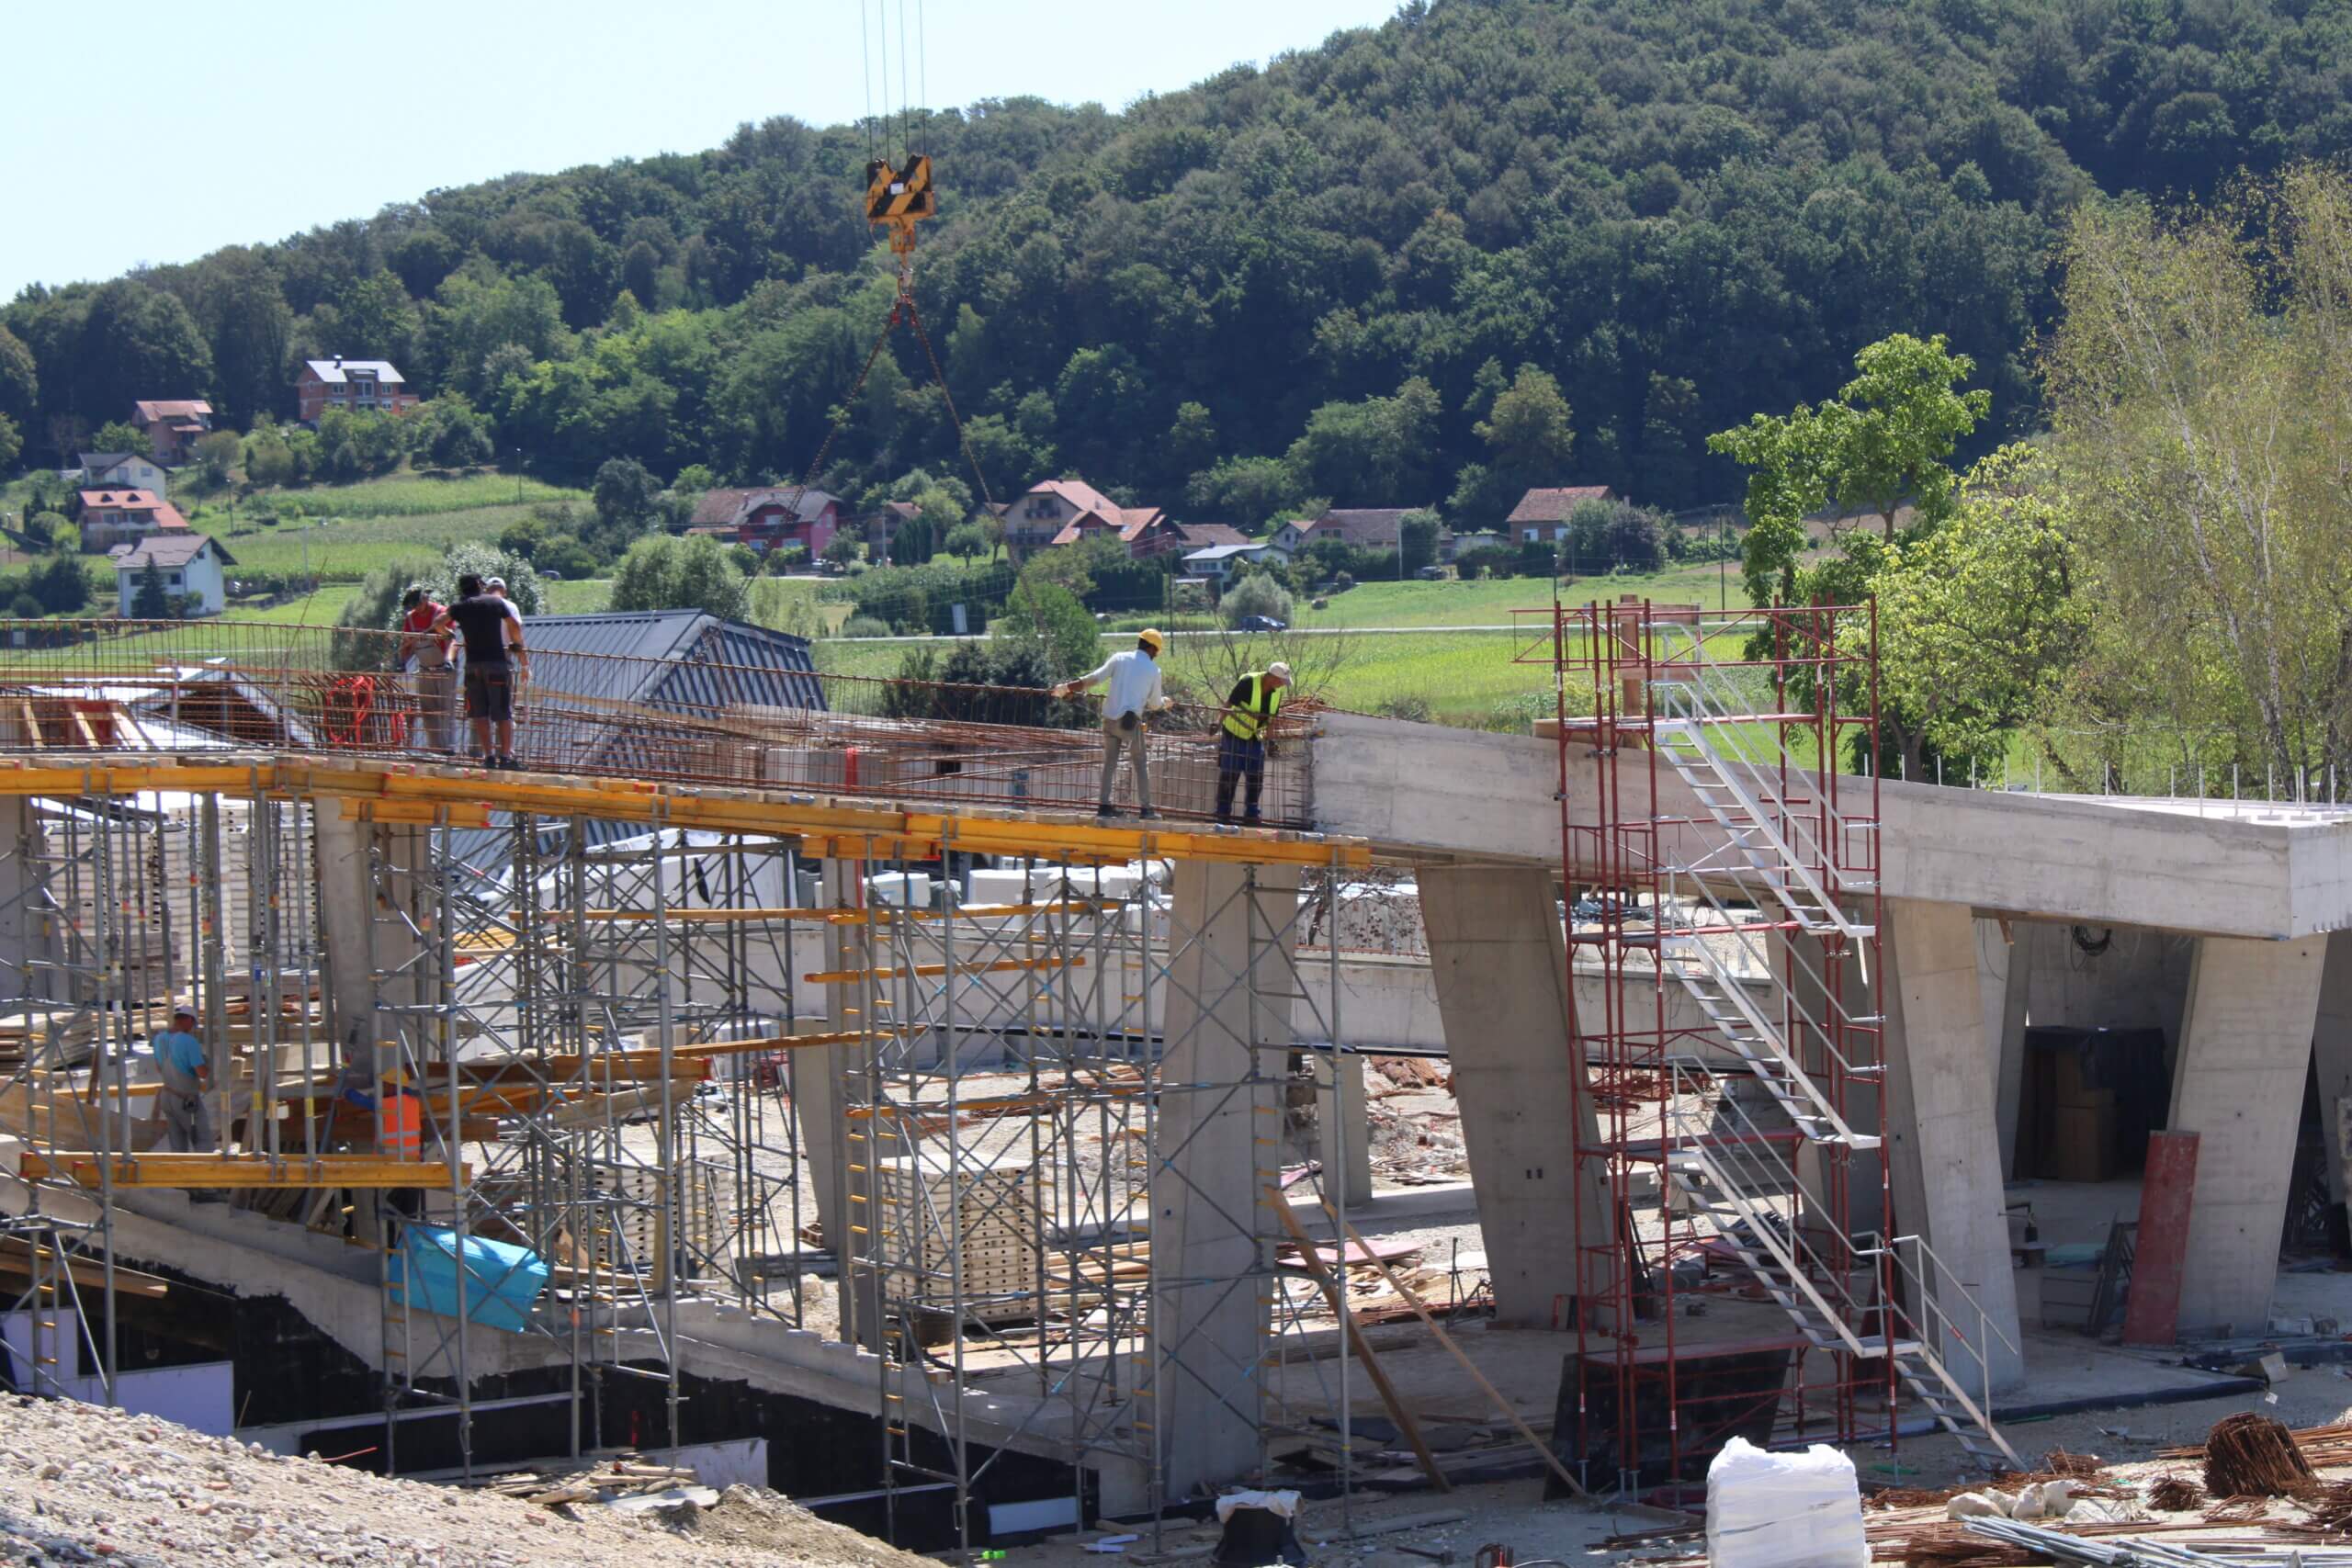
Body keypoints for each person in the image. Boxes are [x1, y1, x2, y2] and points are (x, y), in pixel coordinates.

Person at [1053, 628, 1172, 818]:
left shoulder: (1119, 658)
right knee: (1140, 763)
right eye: (1156, 651)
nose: (1156, 655)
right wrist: (1166, 702)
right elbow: (1155, 704)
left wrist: (1065, 687)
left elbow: (1093, 679)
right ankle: (1146, 808)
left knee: (1110, 762)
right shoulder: (1153, 670)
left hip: (1109, 719)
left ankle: (1104, 806)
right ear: (1151, 648)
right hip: (1130, 723)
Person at [434, 572, 527, 769]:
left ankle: (489, 756)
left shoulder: (460, 607)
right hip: (497, 664)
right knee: (503, 712)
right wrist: (516, 644)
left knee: (480, 713)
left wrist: (448, 633)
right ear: (478, 584)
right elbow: (514, 625)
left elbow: (438, 623)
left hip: (473, 666)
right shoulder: (494, 603)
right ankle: (506, 757)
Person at [1215, 661, 1292, 824]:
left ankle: (1251, 813)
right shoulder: (1248, 682)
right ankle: (1222, 813)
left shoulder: (1276, 692)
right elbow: (1229, 704)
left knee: (1255, 777)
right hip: (1233, 734)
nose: (1282, 685)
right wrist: (1217, 723)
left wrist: (1270, 741)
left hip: (1255, 737)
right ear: (1271, 678)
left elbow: (1272, 719)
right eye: (1281, 681)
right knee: (1229, 774)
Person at [397, 585, 456, 753]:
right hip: (424, 670)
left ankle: (448, 748)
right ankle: (435, 748)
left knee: (446, 709)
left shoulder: (441, 613)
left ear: (425, 599)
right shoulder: (411, 619)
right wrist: (402, 661)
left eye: (418, 604)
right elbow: (407, 644)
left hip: (444, 669)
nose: (416, 609)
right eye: (413, 606)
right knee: (428, 710)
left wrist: (448, 661)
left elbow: (452, 640)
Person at [151, 1008, 212, 1153]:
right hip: (186, 1100)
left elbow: (159, 1068)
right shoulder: (188, 1041)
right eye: (193, 1024)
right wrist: (207, 1065)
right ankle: (206, 1174)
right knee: (203, 1141)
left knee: (177, 1145)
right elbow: (202, 1073)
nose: (192, 1028)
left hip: (167, 1096)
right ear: (189, 1020)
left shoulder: (159, 1039)